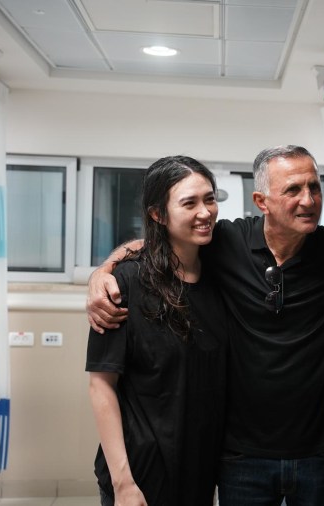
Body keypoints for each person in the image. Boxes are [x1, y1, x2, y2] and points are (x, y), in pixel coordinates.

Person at [86, 145, 324, 506]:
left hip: (322, 453)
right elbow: (158, 241)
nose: (308, 200)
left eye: (314, 187)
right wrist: (103, 271)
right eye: (293, 190)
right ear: (261, 202)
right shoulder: (225, 243)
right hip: (241, 457)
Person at [86, 156, 226, 505]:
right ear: (158, 214)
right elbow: (101, 386)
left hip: (198, 472)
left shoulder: (222, 276)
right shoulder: (125, 283)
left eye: (209, 199)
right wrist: (123, 484)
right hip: (140, 472)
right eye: (189, 203)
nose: (205, 212)